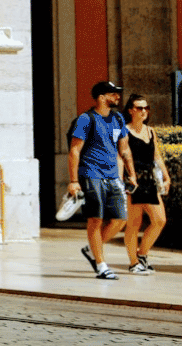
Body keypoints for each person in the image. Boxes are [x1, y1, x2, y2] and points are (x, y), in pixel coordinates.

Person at [68, 80, 137, 278]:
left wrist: (131, 173)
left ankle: (91, 249)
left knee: (120, 219)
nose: (117, 97)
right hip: (91, 174)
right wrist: (73, 181)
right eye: (113, 93)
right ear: (101, 97)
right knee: (96, 219)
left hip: (113, 176)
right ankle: (101, 265)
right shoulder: (86, 119)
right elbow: (75, 150)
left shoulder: (118, 118)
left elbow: (124, 148)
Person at [124, 94, 169, 274]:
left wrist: (166, 177)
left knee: (160, 220)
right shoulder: (123, 131)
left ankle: (142, 254)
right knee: (134, 223)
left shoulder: (150, 131)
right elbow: (122, 157)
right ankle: (134, 263)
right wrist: (127, 179)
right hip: (132, 180)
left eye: (146, 108)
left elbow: (156, 156)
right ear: (131, 110)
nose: (144, 111)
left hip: (149, 180)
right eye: (140, 108)